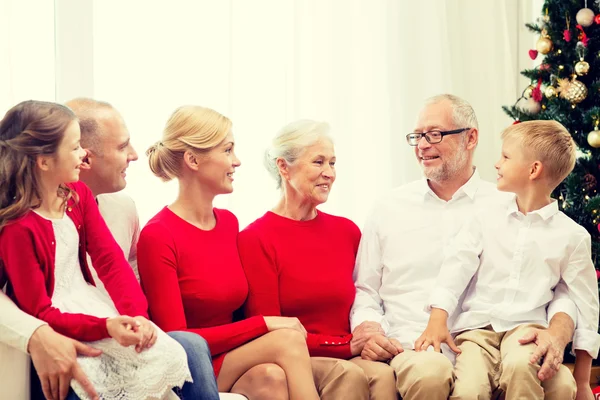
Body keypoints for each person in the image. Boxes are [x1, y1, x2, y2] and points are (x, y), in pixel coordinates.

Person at [350, 94, 578, 400]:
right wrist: (370, 328)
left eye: (434, 134)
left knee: (561, 383)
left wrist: (558, 332)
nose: (422, 145)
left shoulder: (511, 203)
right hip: (416, 345)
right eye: (417, 136)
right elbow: (365, 289)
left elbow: (559, 280)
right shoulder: (388, 208)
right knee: (431, 373)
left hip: (500, 344)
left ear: (470, 138)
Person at [0, 100, 190, 400]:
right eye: (75, 147)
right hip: (67, 326)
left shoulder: (78, 196)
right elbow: (40, 310)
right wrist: (107, 326)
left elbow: (110, 261)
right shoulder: (17, 230)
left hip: (95, 311)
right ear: (44, 161)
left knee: (172, 353)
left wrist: (137, 315)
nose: (84, 154)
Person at [138, 105, 320, 400]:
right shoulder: (158, 234)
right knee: (287, 341)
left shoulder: (229, 223)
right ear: (193, 160)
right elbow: (178, 340)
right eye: (227, 150)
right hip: (192, 364)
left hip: (230, 357)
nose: (236, 162)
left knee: (270, 379)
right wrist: (264, 323)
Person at [416, 120, 599, 399]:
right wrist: (437, 318)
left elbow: (585, 307)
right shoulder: (484, 216)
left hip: (527, 332)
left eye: (505, 156)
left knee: (521, 367)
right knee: (468, 389)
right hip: (476, 332)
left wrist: (583, 381)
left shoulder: (572, 237)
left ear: (533, 169)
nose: (496, 163)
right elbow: (457, 265)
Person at [67, 98, 220, 400]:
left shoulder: (124, 209)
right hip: (77, 339)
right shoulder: (38, 219)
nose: (136, 155)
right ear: (84, 157)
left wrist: (138, 320)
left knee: (191, 344)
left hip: (123, 335)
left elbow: (128, 278)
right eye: (123, 147)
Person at [238, 119, 397, 400]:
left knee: (383, 374)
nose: (329, 173)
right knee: (346, 374)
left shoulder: (347, 231)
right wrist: (346, 347)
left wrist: (371, 334)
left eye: (333, 163)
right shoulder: (257, 238)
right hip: (296, 359)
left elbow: (367, 298)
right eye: (319, 162)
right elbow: (268, 333)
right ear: (283, 167)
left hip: (347, 351)